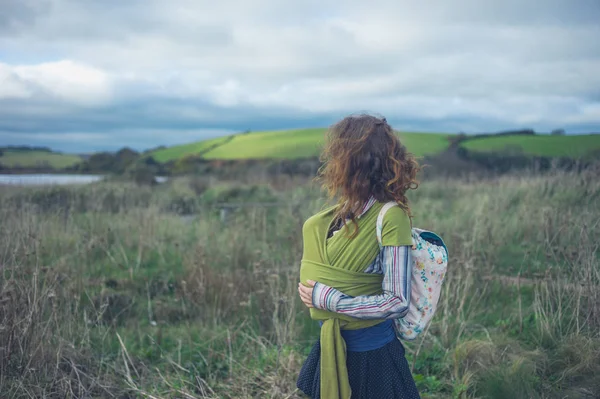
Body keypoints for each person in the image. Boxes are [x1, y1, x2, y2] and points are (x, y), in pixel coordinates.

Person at [296, 114, 421, 399]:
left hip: (371, 355)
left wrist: (329, 300)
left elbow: (397, 300)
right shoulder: (347, 208)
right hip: (334, 345)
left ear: (357, 159)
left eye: (338, 153)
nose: (332, 160)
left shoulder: (391, 216)